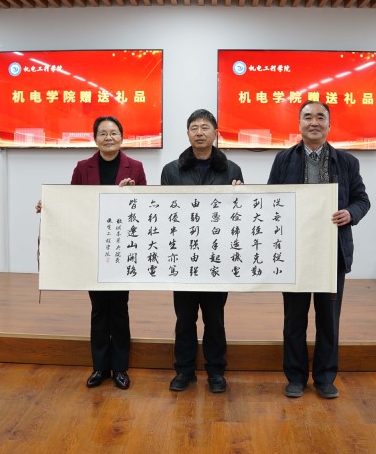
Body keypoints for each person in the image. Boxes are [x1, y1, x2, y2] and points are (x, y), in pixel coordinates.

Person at [267, 101, 370, 399]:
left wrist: (351, 213)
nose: (314, 122)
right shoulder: (284, 159)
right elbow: (272, 198)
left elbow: (362, 200)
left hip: (331, 252)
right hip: (295, 251)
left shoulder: (346, 162)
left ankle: (325, 378)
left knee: (328, 319)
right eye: (308, 117)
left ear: (329, 125)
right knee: (294, 319)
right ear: (299, 124)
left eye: (320, 117)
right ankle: (296, 377)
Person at [36, 116, 146, 390]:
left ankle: (120, 368)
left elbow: (145, 207)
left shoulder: (136, 167)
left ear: (122, 137)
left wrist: (132, 195)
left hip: (120, 248)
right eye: (103, 133)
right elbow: (72, 204)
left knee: (119, 309)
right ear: (95, 138)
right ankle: (99, 367)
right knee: (98, 309)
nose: (108, 138)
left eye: (114, 133)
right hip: (91, 248)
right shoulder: (82, 167)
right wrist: (49, 206)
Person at [161, 109, 244, 393]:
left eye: (205, 127)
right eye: (194, 127)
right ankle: (184, 371)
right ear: (187, 133)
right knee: (184, 318)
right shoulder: (171, 170)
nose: (200, 132)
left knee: (214, 318)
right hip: (183, 256)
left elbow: (239, 214)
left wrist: (240, 196)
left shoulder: (232, 170)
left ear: (215, 133)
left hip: (216, 257)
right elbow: (164, 212)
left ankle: (216, 372)